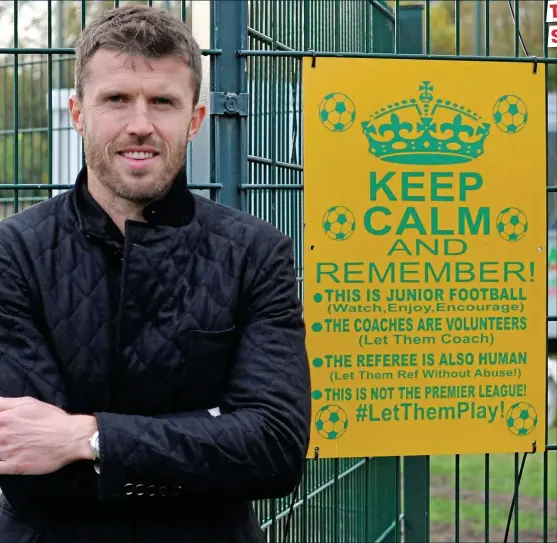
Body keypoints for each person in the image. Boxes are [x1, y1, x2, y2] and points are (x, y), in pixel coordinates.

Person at [0, 4, 311, 542]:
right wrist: (209, 438)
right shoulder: (14, 253)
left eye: (162, 102)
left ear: (194, 118)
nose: (139, 124)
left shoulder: (256, 255)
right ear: (78, 113)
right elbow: (29, 468)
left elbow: (275, 448)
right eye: (117, 99)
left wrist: (90, 438)